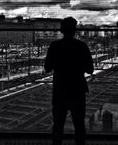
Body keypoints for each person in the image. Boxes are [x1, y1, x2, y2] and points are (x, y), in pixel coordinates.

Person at [44, 17, 94, 145]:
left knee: (58, 125)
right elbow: (90, 70)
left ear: (61, 30)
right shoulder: (82, 46)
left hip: (60, 89)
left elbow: (47, 68)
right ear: (75, 30)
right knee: (79, 125)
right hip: (77, 90)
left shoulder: (54, 46)